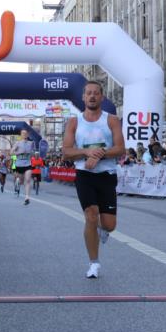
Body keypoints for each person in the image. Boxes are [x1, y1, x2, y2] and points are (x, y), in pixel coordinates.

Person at [62, 81, 126, 279]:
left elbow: (120, 149)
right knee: (91, 215)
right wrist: (85, 152)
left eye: (95, 93)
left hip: (106, 175)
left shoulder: (112, 120)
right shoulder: (74, 122)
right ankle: (94, 263)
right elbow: (66, 151)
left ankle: (103, 229)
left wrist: (98, 154)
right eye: (88, 93)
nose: (91, 96)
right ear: (83, 97)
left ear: (102, 97)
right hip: (84, 175)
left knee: (109, 225)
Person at [11, 130, 37, 205]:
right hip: (19, 164)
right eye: (23, 133)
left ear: (27, 134)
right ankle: (18, 183)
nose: (24, 134)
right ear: (21, 135)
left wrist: (32, 154)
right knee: (21, 181)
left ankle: (27, 198)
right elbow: (11, 152)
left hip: (28, 164)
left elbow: (34, 152)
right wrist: (18, 152)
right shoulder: (17, 143)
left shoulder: (31, 143)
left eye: (26, 133)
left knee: (28, 180)